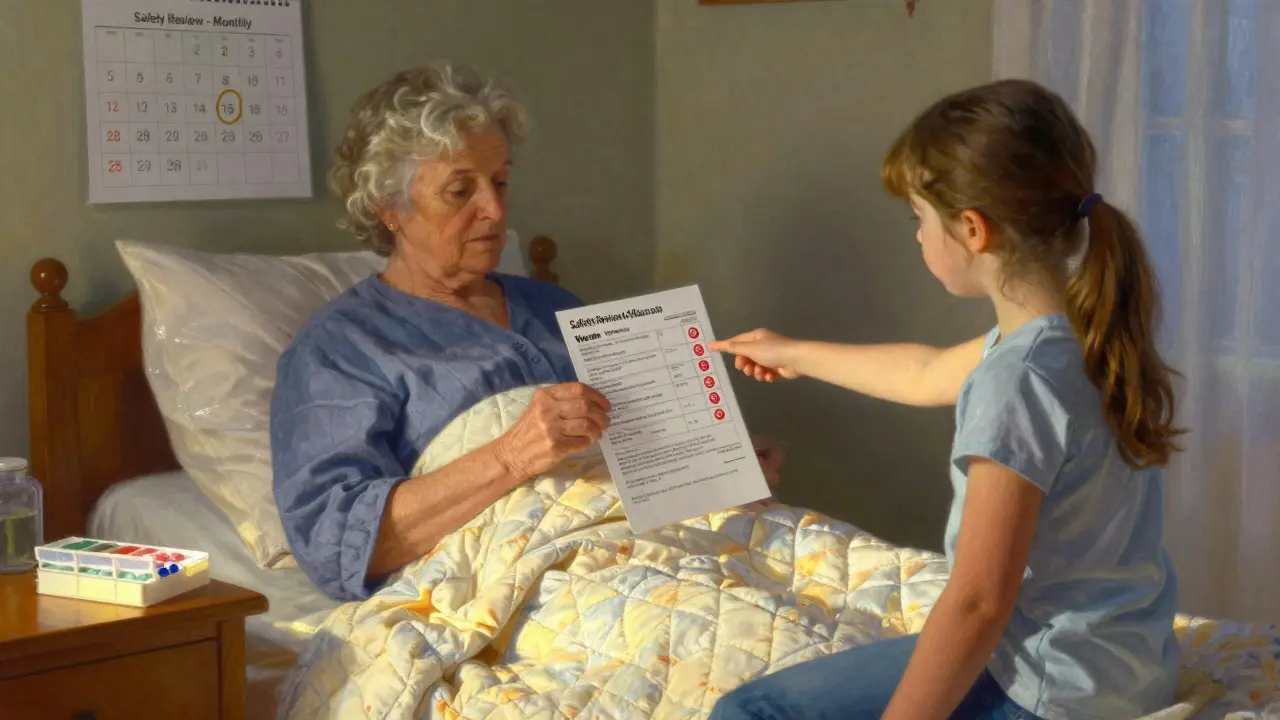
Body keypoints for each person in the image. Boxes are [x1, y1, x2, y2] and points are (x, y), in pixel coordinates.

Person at [708, 79, 1182, 720]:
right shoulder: (1079, 335)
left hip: (1053, 690)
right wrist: (791, 353)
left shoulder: (1017, 380)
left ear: (972, 229)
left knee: (751, 710)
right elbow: (926, 372)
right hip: (1128, 669)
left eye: (919, 220)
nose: (916, 238)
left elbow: (979, 601)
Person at [270, 62, 785, 602]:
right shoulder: (340, 351)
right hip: (539, 587)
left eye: (499, 182)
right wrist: (511, 455)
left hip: (674, 552)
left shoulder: (558, 309)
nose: (494, 209)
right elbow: (335, 546)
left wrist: (724, 460)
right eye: (459, 191)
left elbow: (642, 455)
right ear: (388, 208)